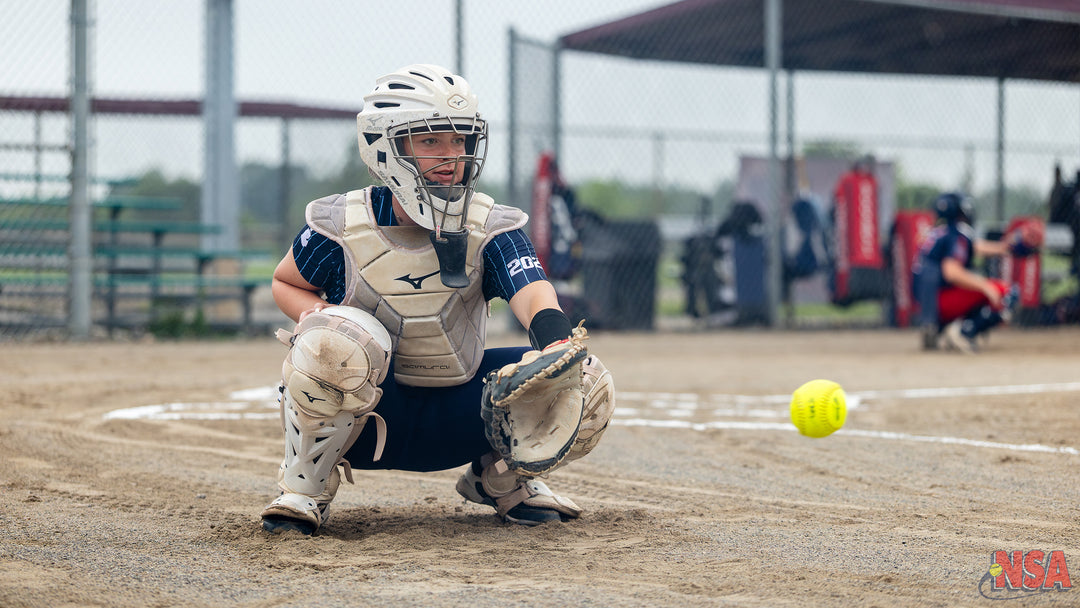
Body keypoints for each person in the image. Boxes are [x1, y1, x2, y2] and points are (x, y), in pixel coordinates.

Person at [259, 64, 615, 534]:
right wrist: (322, 321)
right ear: (385, 146)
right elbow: (286, 282)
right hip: (367, 423)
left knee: (585, 378)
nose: (452, 155)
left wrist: (555, 340)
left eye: (461, 140)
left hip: (465, 416)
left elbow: (530, 289)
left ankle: (502, 476)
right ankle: (307, 484)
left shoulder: (488, 223)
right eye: (431, 141)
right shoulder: (343, 223)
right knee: (334, 340)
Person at [912, 192, 1038, 353]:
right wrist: (985, 286)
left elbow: (974, 248)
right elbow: (951, 271)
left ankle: (938, 328)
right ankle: (963, 332)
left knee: (979, 288)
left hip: (927, 304)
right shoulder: (956, 234)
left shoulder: (939, 233)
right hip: (942, 301)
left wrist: (1008, 247)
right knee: (1007, 293)